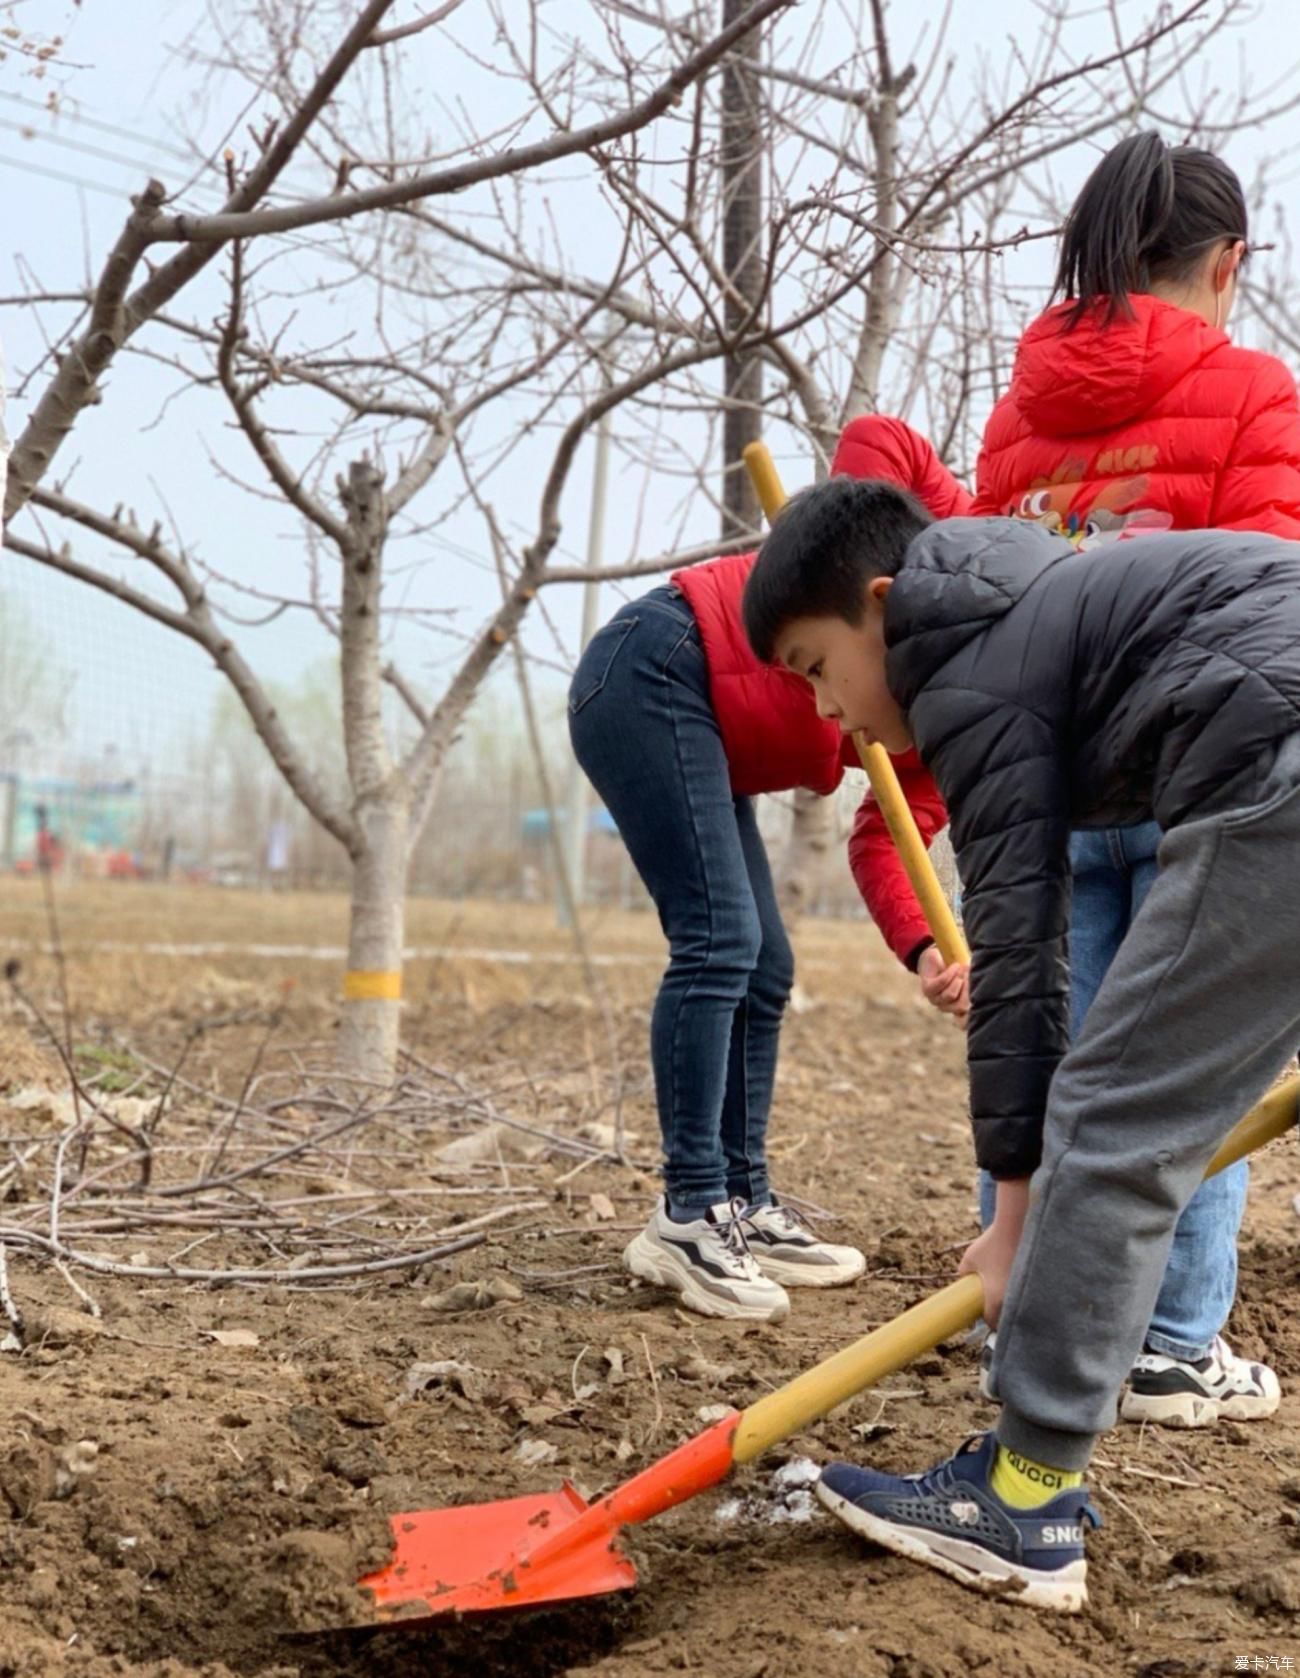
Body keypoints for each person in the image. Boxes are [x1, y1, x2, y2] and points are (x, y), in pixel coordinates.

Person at [742, 473, 1300, 1611]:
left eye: (814, 667)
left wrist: (1011, 1221)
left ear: (882, 606)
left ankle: (1024, 1496)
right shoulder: (1032, 603)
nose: (823, 713)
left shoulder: (968, 671)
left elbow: (1019, 966)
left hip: (1276, 767)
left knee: (1110, 1116)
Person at [851, 132, 1300, 1426]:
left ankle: (1044, 1291)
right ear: (1226, 264)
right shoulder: (1255, 389)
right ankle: (1165, 1337)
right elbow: (1267, 604)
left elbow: (993, 615)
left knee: (1078, 1057)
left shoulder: (1017, 413)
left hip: (1056, 778)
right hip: (1199, 769)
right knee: (1181, 1072)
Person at [567, 418, 966, 1323]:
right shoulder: (955, 558)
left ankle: (740, 1200)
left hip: (712, 731)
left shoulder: (952, 726)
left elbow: (885, 841)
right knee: (720, 940)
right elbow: (876, 439)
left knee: (766, 962)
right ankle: (686, 1210)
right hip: (656, 664)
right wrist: (832, 551)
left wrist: (923, 950)